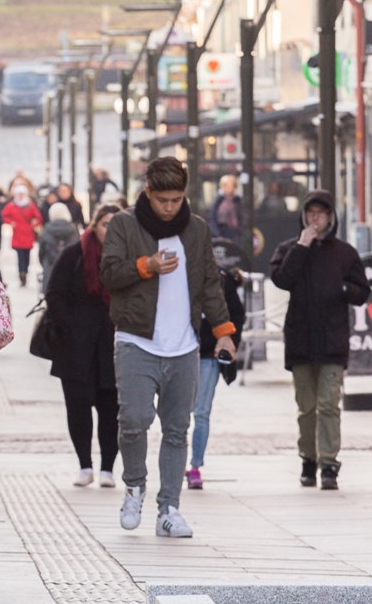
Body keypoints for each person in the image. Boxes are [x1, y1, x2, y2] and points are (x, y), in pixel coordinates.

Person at [100, 157, 236, 538]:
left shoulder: (196, 230)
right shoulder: (125, 224)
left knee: (177, 429)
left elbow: (211, 281)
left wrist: (224, 330)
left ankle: (169, 509)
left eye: (176, 199)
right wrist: (146, 265)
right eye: (163, 200)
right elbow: (108, 274)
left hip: (184, 347)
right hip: (136, 340)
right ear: (148, 193)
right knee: (134, 420)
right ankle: (134, 486)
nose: (169, 207)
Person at [269, 191, 370, 491]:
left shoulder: (344, 252)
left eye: (321, 214)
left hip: (332, 338)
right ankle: (307, 459)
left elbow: (362, 292)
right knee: (307, 407)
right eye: (311, 213)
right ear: (303, 217)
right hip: (300, 337)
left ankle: (329, 463)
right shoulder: (289, 248)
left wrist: (340, 288)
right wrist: (301, 247)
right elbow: (282, 279)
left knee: (329, 404)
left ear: (331, 217)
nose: (316, 219)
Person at [47, 204, 124, 488]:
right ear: (95, 225)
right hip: (76, 347)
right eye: (106, 224)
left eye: (116, 224)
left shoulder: (127, 256)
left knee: (111, 409)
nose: (110, 230)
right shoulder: (75, 253)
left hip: (113, 345)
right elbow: (54, 293)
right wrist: (69, 327)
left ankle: (107, 468)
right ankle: (85, 465)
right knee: (78, 408)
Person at [186, 263, 246, 490]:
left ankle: (195, 466)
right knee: (178, 414)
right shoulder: (175, 270)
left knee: (201, 412)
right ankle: (175, 462)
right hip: (179, 352)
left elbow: (237, 315)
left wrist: (229, 344)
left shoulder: (222, 279)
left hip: (208, 355)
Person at [2, 186, 44, 287]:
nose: (20, 196)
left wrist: (34, 224)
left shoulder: (30, 205)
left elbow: (38, 217)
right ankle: (22, 273)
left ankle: (25, 271)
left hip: (28, 234)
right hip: (17, 234)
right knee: (20, 256)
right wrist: (10, 222)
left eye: (22, 194)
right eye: (19, 194)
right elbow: (4, 215)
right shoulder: (12, 206)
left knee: (27, 257)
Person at [37, 202, 77, 290]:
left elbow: (41, 251)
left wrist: (43, 262)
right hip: (70, 270)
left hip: (50, 267)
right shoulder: (73, 230)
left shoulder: (47, 229)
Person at [208, 174, 243, 243]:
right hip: (222, 233)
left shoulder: (237, 200)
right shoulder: (218, 200)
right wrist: (217, 234)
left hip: (235, 234)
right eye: (227, 186)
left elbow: (240, 216)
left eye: (232, 186)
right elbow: (213, 217)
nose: (230, 188)